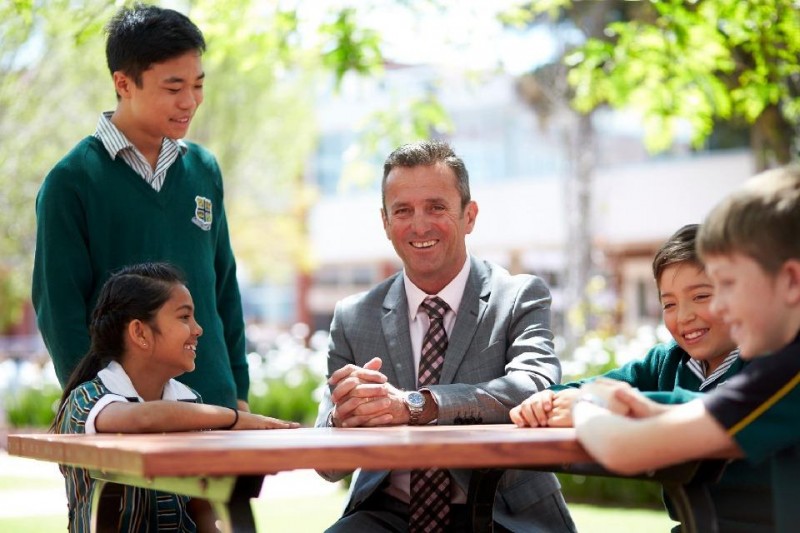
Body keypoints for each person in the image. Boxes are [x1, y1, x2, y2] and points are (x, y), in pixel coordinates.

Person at [314, 140, 576, 532]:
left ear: (469, 215)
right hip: (388, 514)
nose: (419, 225)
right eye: (403, 211)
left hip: (502, 514)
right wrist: (344, 417)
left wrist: (416, 405)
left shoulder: (518, 296)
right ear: (385, 223)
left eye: (436, 207)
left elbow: (534, 387)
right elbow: (327, 465)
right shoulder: (354, 317)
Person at [32, 3, 248, 410]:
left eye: (197, 85)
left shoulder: (204, 170)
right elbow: (59, 311)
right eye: (173, 88)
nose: (190, 101)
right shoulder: (71, 181)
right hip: (127, 416)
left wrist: (238, 391)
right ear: (124, 83)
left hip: (216, 407)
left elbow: (224, 290)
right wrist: (99, 406)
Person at [571, 166, 800, 533]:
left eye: (728, 285)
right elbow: (709, 412)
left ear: (790, 280)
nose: (720, 306)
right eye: (669, 303)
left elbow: (621, 448)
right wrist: (651, 407)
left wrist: (586, 403)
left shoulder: (789, 370)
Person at [510, 223, 772, 532]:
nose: (684, 316)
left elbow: (717, 407)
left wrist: (608, 403)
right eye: (669, 304)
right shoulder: (666, 361)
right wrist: (550, 398)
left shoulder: (768, 361)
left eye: (701, 296)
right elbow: (599, 386)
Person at [52, 262, 299, 532]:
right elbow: (144, 419)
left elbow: (202, 509)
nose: (198, 329)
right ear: (140, 332)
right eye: (184, 317)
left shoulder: (189, 401)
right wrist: (235, 418)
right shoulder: (87, 400)